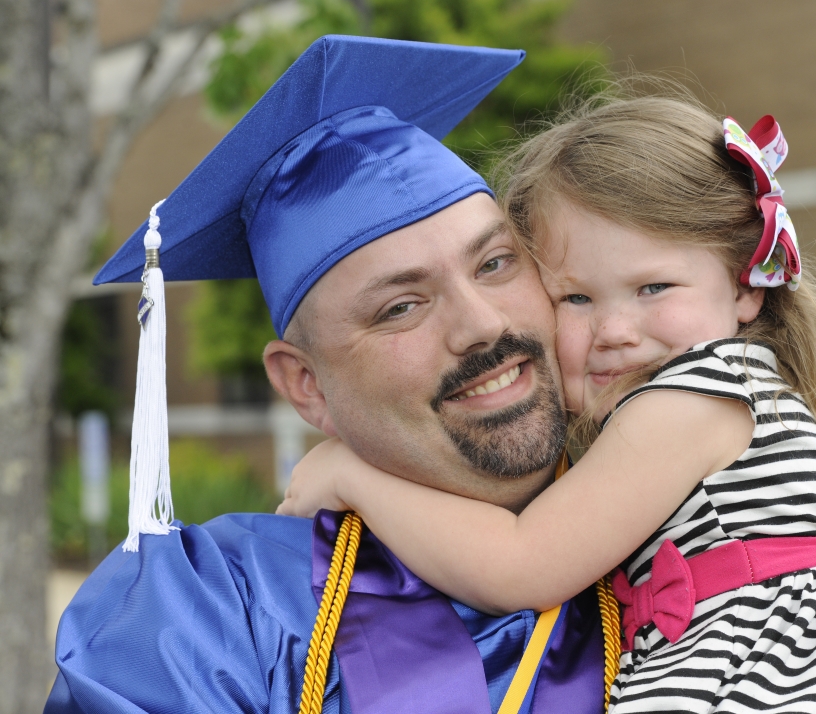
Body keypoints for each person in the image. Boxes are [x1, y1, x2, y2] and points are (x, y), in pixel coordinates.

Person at [278, 96, 816, 713]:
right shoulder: (738, 397)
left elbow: (522, 568)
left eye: (654, 288)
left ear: (744, 287)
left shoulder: (695, 397)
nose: (614, 330)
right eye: (576, 298)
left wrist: (350, 475)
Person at [46, 35, 619, 714]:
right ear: (305, 385)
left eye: (495, 263)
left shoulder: (692, 530)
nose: (483, 325)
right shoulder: (212, 613)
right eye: (401, 306)